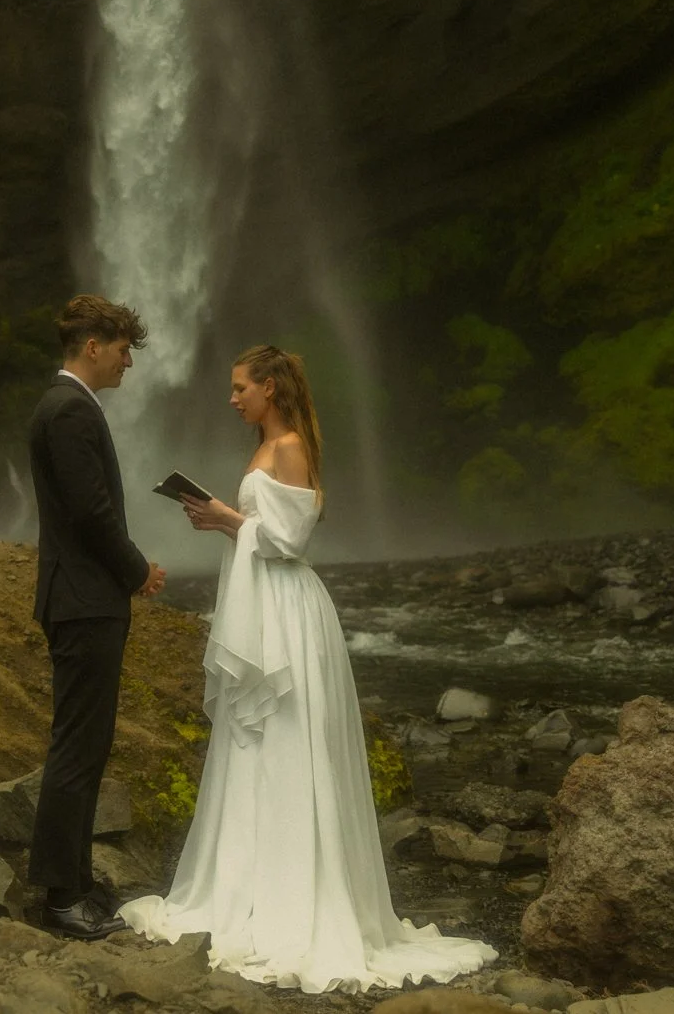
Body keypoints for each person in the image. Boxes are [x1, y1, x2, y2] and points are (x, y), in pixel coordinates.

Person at [119, 345, 496, 991]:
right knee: (256, 748)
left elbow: (292, 541)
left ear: (271, 387)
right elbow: (265, 529)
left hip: (289, 613)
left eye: (241, 387)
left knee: (291, 745)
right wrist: (224, 523)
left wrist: (226, 517)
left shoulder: (291, 445)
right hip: (267, 605)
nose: (232, 398)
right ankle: (253, 889)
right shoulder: (270, 445)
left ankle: (293, 899)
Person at [26, 294, 168, 940]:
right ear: (92, 345)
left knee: (88, 744)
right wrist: (138, 569)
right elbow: (90, 511)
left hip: (84, 598)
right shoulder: (69, 410)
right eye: (121, 348)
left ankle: (77, 882)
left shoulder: (67, 407)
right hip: (84, 600)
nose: (128, 360)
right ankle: (60, 897)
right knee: (78, 749)